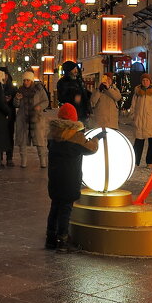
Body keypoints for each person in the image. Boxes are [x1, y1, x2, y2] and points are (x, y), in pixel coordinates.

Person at [45, 103, 101, 252]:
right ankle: (62, 241)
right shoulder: (75, 137)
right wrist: (96, 138)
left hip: (55, 177)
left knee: (55, 207)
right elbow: (91, 149)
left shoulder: (52, 134)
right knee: (65, 209)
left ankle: (50, 239)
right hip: (69, 179)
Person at [14, 71, 49, 168]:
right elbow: (15, 105)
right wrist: (17, 99)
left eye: (28, 80)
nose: (26, 82)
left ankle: (43, 161)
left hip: (36, 119)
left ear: (31, 80)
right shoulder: (20, 90)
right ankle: (23, 162)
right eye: (24, 80)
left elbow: (46, 101)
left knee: (39, 141)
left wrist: (40, 107)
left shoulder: (38, 89)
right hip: (23, 119)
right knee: (22, 141)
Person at [128, 73, 152, 167]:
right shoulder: (137, 94)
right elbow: (133, 106)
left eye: (147, 80)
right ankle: (135, 161)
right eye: (143, 80)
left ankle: (151, 162)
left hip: (151, 122)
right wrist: (133, 116)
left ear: (150, 81)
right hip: (140, 121)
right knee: (138, 142)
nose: (145, 82)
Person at [0, 67, 17, 166]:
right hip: (0, 115)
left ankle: (9, 157)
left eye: (5, 74)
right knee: (1, 136)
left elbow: (16, 103)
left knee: (10, 136)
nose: (4, 77)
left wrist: (13, 99)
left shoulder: (12, 88)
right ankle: (0, 157)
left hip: (10, 115)